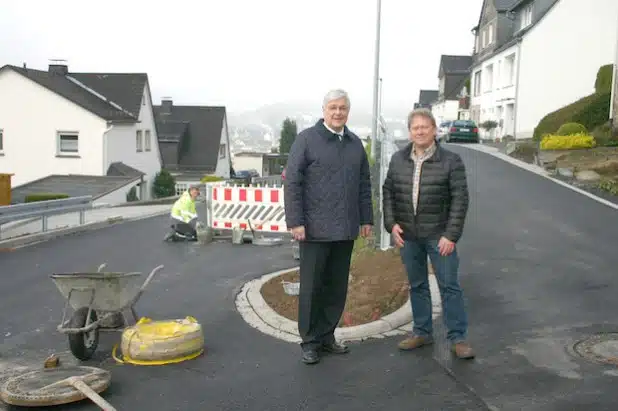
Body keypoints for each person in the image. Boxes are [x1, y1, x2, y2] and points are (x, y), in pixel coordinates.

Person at [284, 89, 373, 365]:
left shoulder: (355, 143)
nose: (338, 112)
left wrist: (366, 218)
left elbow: (364, 185)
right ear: (324, 110)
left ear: (348, 111)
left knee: (336, 287)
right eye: (333, 107)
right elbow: (292, 183)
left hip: (345, 229)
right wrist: (295, 221)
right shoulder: (306, 140)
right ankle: (310, 341)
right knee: (312, 287)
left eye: (343, 108)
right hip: (313, 230)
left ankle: (327, 335)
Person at [382, 108, 475, 359]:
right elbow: (388, 192)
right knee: (417, 285)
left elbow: (460, 200)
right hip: (409, 236)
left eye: (425, 126)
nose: (420, 131)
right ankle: (422, 332)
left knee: (449, 286)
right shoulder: (398, 159)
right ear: (410, 131)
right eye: (415, 127)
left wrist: (451, 235)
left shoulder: (451, 160)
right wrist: (391, 225)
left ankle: (458, 338)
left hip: (439, 236)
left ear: (434, 129)